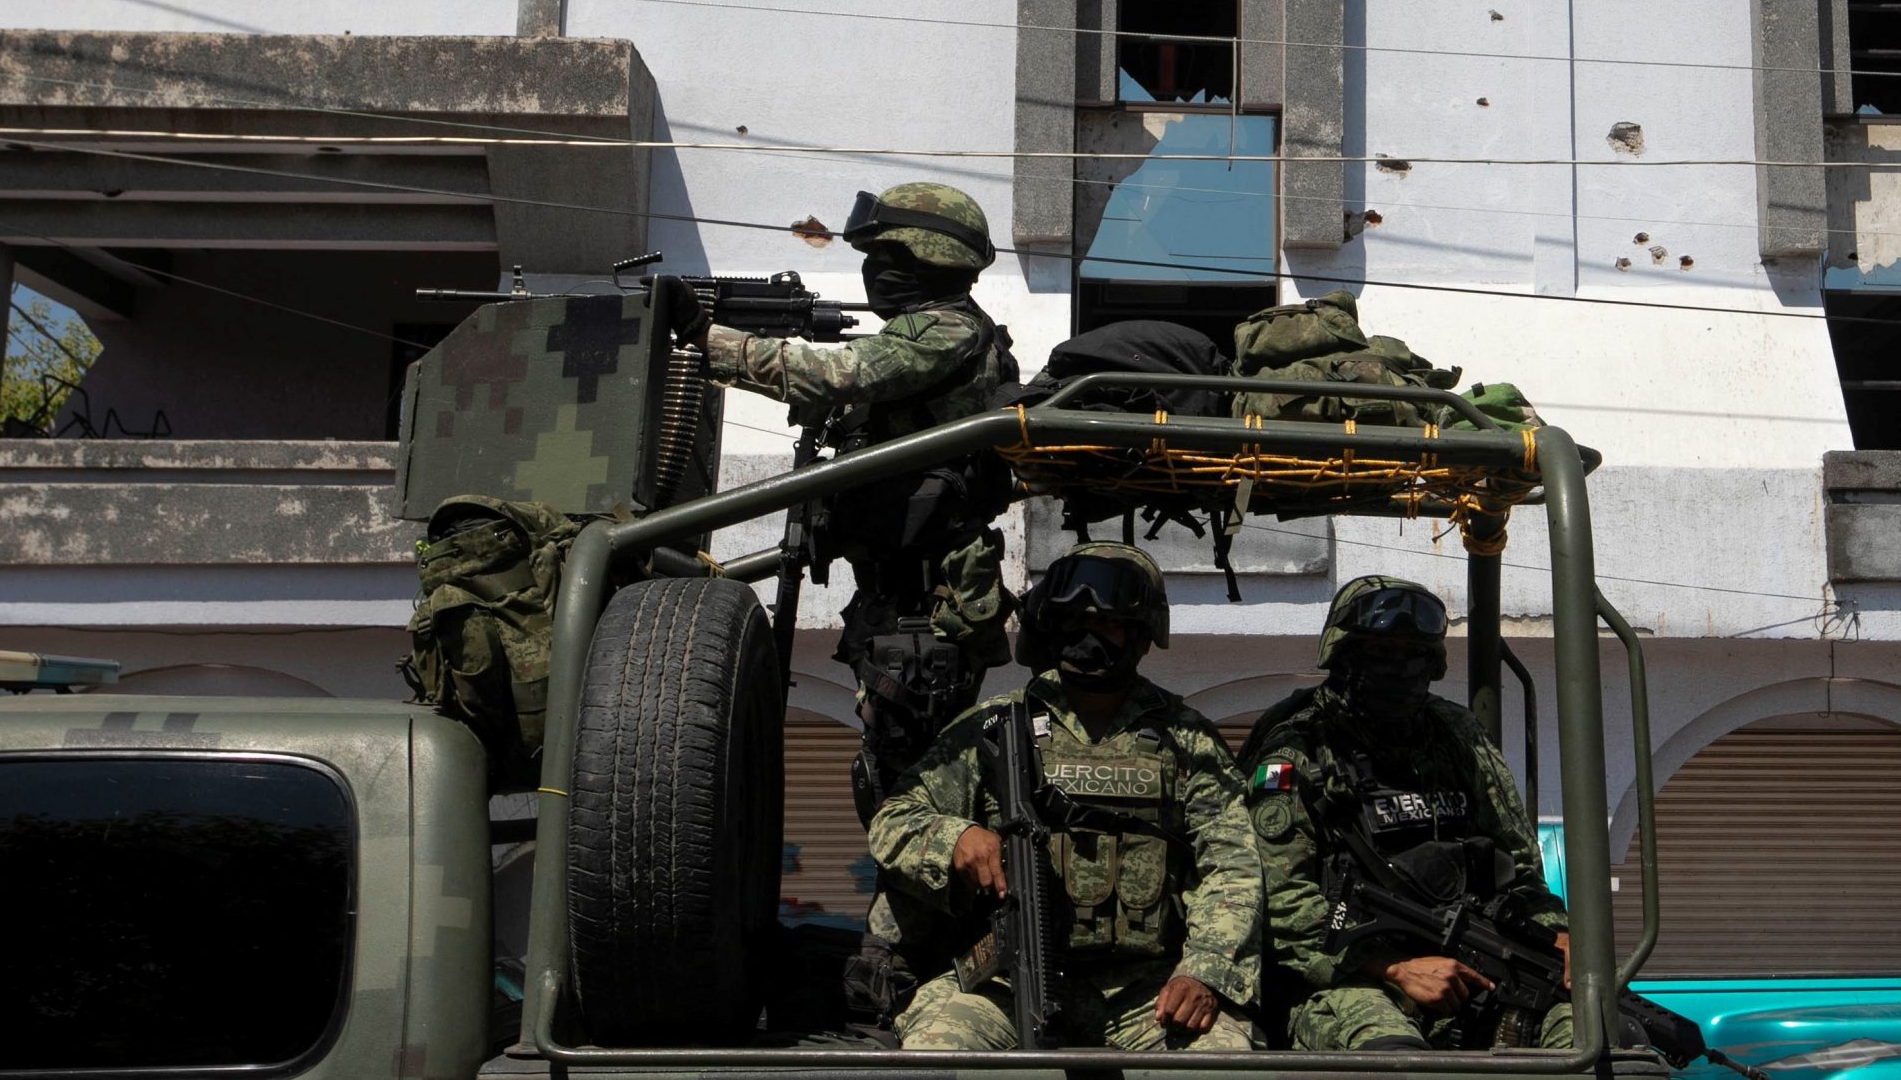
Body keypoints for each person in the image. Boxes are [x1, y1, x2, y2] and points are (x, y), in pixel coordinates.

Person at [680, 181, 1020, 823]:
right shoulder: (938, 331)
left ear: (924, 260)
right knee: (896, 775)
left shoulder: (944, 330)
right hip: (902, 593)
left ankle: (931, 920)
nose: (871, 272)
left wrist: (707, 336)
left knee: (915, 789)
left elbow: (834, 375)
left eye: (884, 258)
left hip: (926, 605)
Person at [867, 544, 1263, 1052]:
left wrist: (1204, 972)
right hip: (1006, 980)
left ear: (1142, 637)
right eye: (1073, 621)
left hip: (1146, 990)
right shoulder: (995, 726)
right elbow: (894, 819)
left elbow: (1230, 865)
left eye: (1108, 624)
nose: (1088, 637)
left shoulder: (1184, 740)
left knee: (1222, 1059)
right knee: (940, 1047)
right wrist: (955, 838)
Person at [1243, 576, 1617, 1053]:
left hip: (1472, 969)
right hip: (1346, 978)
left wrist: (1556, 935)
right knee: (1395, 1055)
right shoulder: (1297, 750)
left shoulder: (1456, 733)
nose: (1399, 670)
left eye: (1413, 655)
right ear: (1344, 658)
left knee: (1600, 1035)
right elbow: (1277, 903)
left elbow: (1519, 869)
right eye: (1381, 655)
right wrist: (1394, 967)